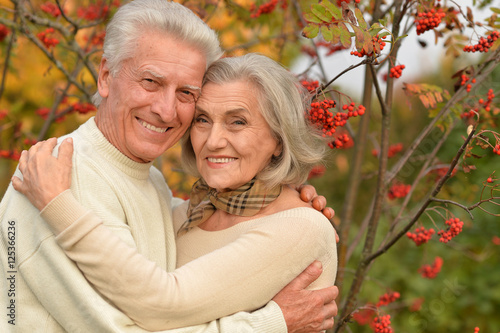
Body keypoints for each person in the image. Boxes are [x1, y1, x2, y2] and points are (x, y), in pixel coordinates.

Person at [0, 0, 337, 332]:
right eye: (151, 82)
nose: (165, 110)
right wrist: (272, 323)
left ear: (279, 138)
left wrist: (285, 203)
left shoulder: (160, 190)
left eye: (186, 93)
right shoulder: (57, 180)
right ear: (105, 76)